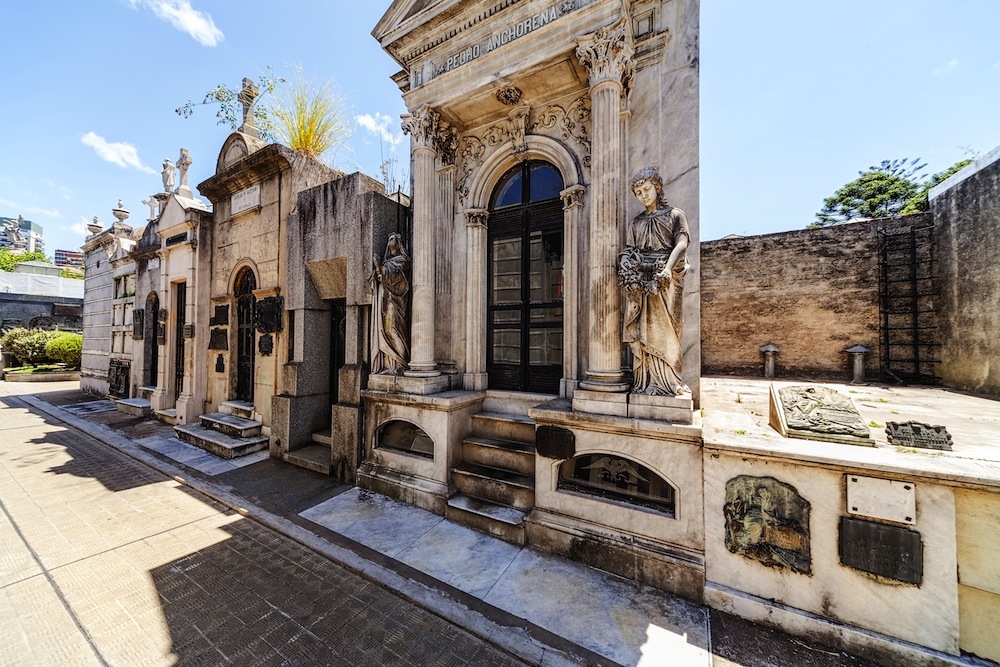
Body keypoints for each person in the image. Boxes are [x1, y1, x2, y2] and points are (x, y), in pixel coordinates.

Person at [618, 166, 690, 395]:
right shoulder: (636, 222)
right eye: (638, 192)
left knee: (669, 329)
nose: (643, 195)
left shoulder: (675, 215)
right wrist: (626, 264)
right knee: (643, 330)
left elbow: (682, 243)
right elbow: (629, 250)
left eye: (647, 189)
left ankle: (671, 382)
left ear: (657, 188)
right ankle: (646, 381)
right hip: (642, 278)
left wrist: (668, 269)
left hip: (667, 277)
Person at [369, 233, 411, 374]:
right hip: (386, 300)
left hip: (396, 301)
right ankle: (390, 365)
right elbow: (382, 278)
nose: (390, 241)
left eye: (393, 239)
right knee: (386, 331)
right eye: (389, 239)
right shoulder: (388, 262)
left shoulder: (403, 260)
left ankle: (401, 364)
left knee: (394, 330)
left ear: (398, 243)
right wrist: (378, 271)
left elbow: (398, 278)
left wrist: (380, 268)